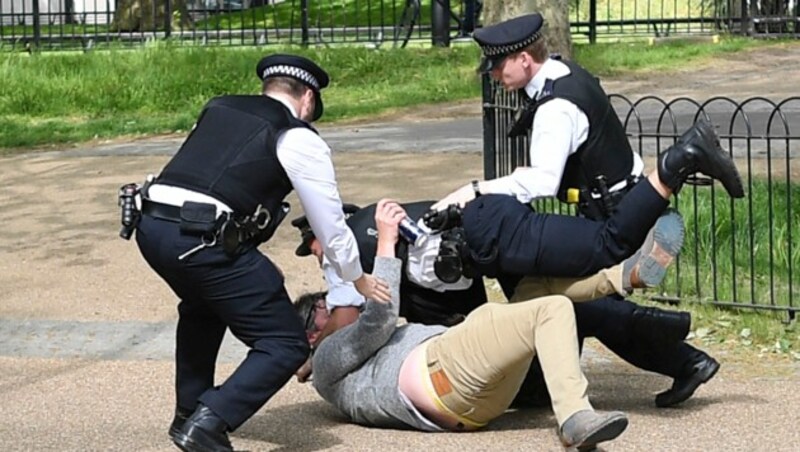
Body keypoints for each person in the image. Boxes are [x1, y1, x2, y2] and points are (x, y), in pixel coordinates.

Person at [293, 122, 742, 406]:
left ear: (321, 232)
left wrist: (311, 355)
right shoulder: (375, 235)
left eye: (311, 247)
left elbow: (349, 318)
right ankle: (676, 351)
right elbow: (449, 303)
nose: (317, 258)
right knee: (554, 309)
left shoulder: (346, 244)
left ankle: (678, 162)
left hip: (489, 238)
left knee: (605, 248)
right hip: (480, 254)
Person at [130, 53, 390, 452]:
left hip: (150, 228)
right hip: (201, 238)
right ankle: (206, 423)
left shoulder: (218, 108)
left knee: (202, 306)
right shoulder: (297, 136)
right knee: (284, 343)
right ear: (307, 98)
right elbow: (330, 224)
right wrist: (358, 278)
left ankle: (188, 412)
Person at [297, 198, 630, 451]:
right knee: (550, 310)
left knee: (532, 290)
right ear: (313, 333)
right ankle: (574, 417)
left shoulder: (343, 368)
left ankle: (623, 277)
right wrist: (386, 241)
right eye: (321, 307)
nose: (338, 304)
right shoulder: (327, 360)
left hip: (475, 406)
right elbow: (380, 319)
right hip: (443, 378)